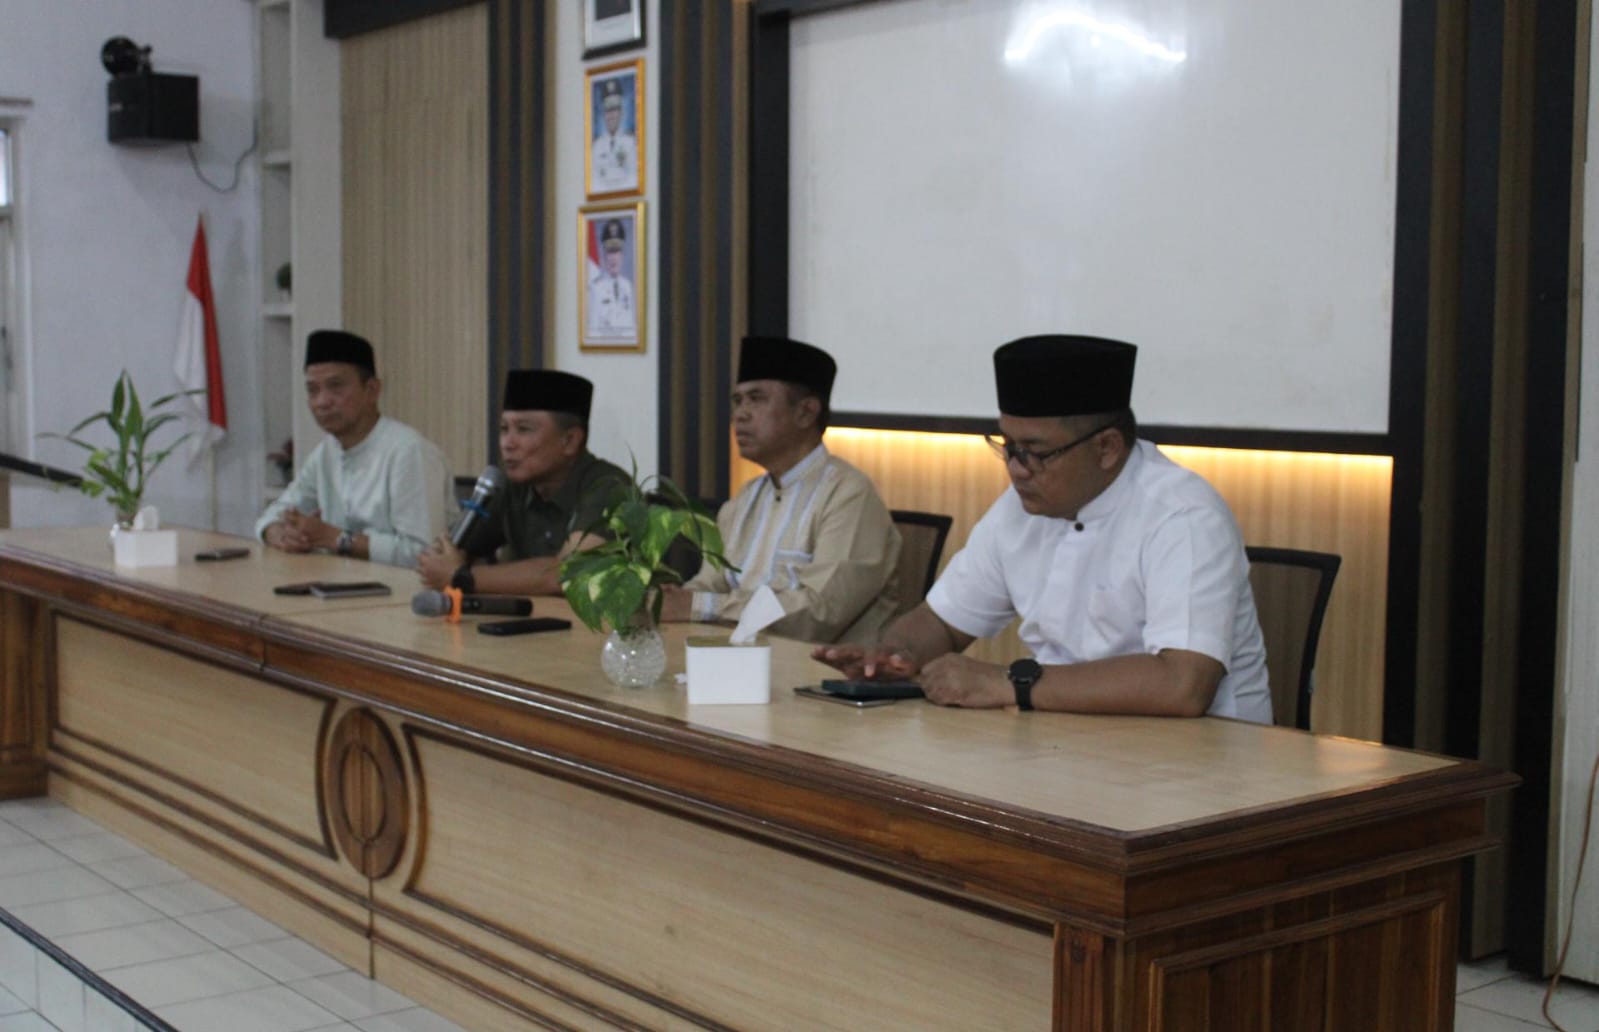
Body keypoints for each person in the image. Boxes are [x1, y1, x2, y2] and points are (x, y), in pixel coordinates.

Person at [815, 335, 1272, 722]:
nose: (1016, 469)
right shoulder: (1020, 509)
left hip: (1201, 769)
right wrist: (894, 657)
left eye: (1036, 451)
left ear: (1107, 448)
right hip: (1067, 744)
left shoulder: (1182, 516)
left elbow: (1182, 684)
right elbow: (941, 622)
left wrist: (1010, 684)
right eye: (1007, 446)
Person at [659, 336, 901, 644]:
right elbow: (712, 583)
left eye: (756, 399)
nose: (740, 415)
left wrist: (699, 606)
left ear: (806, 412)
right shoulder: (744, 499)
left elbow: (819, 613)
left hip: (820, 677)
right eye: (738, 401)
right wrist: (670, 600)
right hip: (737, 667)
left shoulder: (849, 495)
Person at [417, 369, 629, 596]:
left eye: (523, 430)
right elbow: (447, 557)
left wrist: (463, 577)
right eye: (504, 429)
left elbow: (569, 573)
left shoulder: (610, 486)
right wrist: (447, 561)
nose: (508, 443)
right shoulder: (509, 486)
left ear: (570, 441)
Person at [255, 330, 451, 568]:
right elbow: (274, 513)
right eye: (312, 390)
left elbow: (425, 553)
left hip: (406, 599)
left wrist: (337, 539)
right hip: (341, 592)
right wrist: (278, 533)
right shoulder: (327, 452)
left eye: (335, 387)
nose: (322, 402)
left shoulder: (408, 451)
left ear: (372, 390)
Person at [587, 219, 636, 340]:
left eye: (617, 252)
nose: (614, 258)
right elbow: (593, 334)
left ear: (622, 255)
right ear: (604, 256)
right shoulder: (595, 289)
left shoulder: (628, 286)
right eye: (610, 252)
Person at [590, 80, 638, 193]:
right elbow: (594, 183)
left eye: (615, 110)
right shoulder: (596, 146)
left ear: (621, 112)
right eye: (608, 110)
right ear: (603, 114)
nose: (611, 116)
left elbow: (633, 179)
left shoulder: (631, 143)